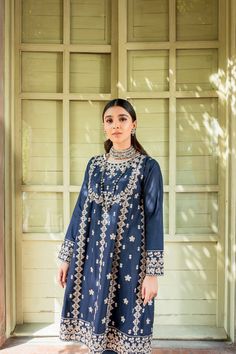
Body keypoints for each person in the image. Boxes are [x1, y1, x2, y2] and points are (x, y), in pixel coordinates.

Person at [57, 98, 164, 354]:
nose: (116, 125)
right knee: (99, 335)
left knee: (128, 333)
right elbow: (80, 210)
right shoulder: (94, 166)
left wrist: (152, 274)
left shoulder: (148, 168)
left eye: (122, 119)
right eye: (109, 120)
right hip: (93, 261)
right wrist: (65, 258)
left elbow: (154, 219)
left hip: (131, 264)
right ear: (104, 127)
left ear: (133, 124)